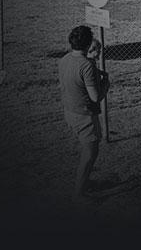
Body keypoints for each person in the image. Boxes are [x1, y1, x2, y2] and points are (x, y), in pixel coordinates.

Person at [58, 25, 109, 203]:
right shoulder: (86, 66)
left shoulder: (64, 59)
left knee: (87, 151)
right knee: (89, 154)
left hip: (69, 111)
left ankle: (84, 181)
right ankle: (79, 193)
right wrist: (105, 85)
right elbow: (95, 97)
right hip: (84, 116)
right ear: (88, 45)